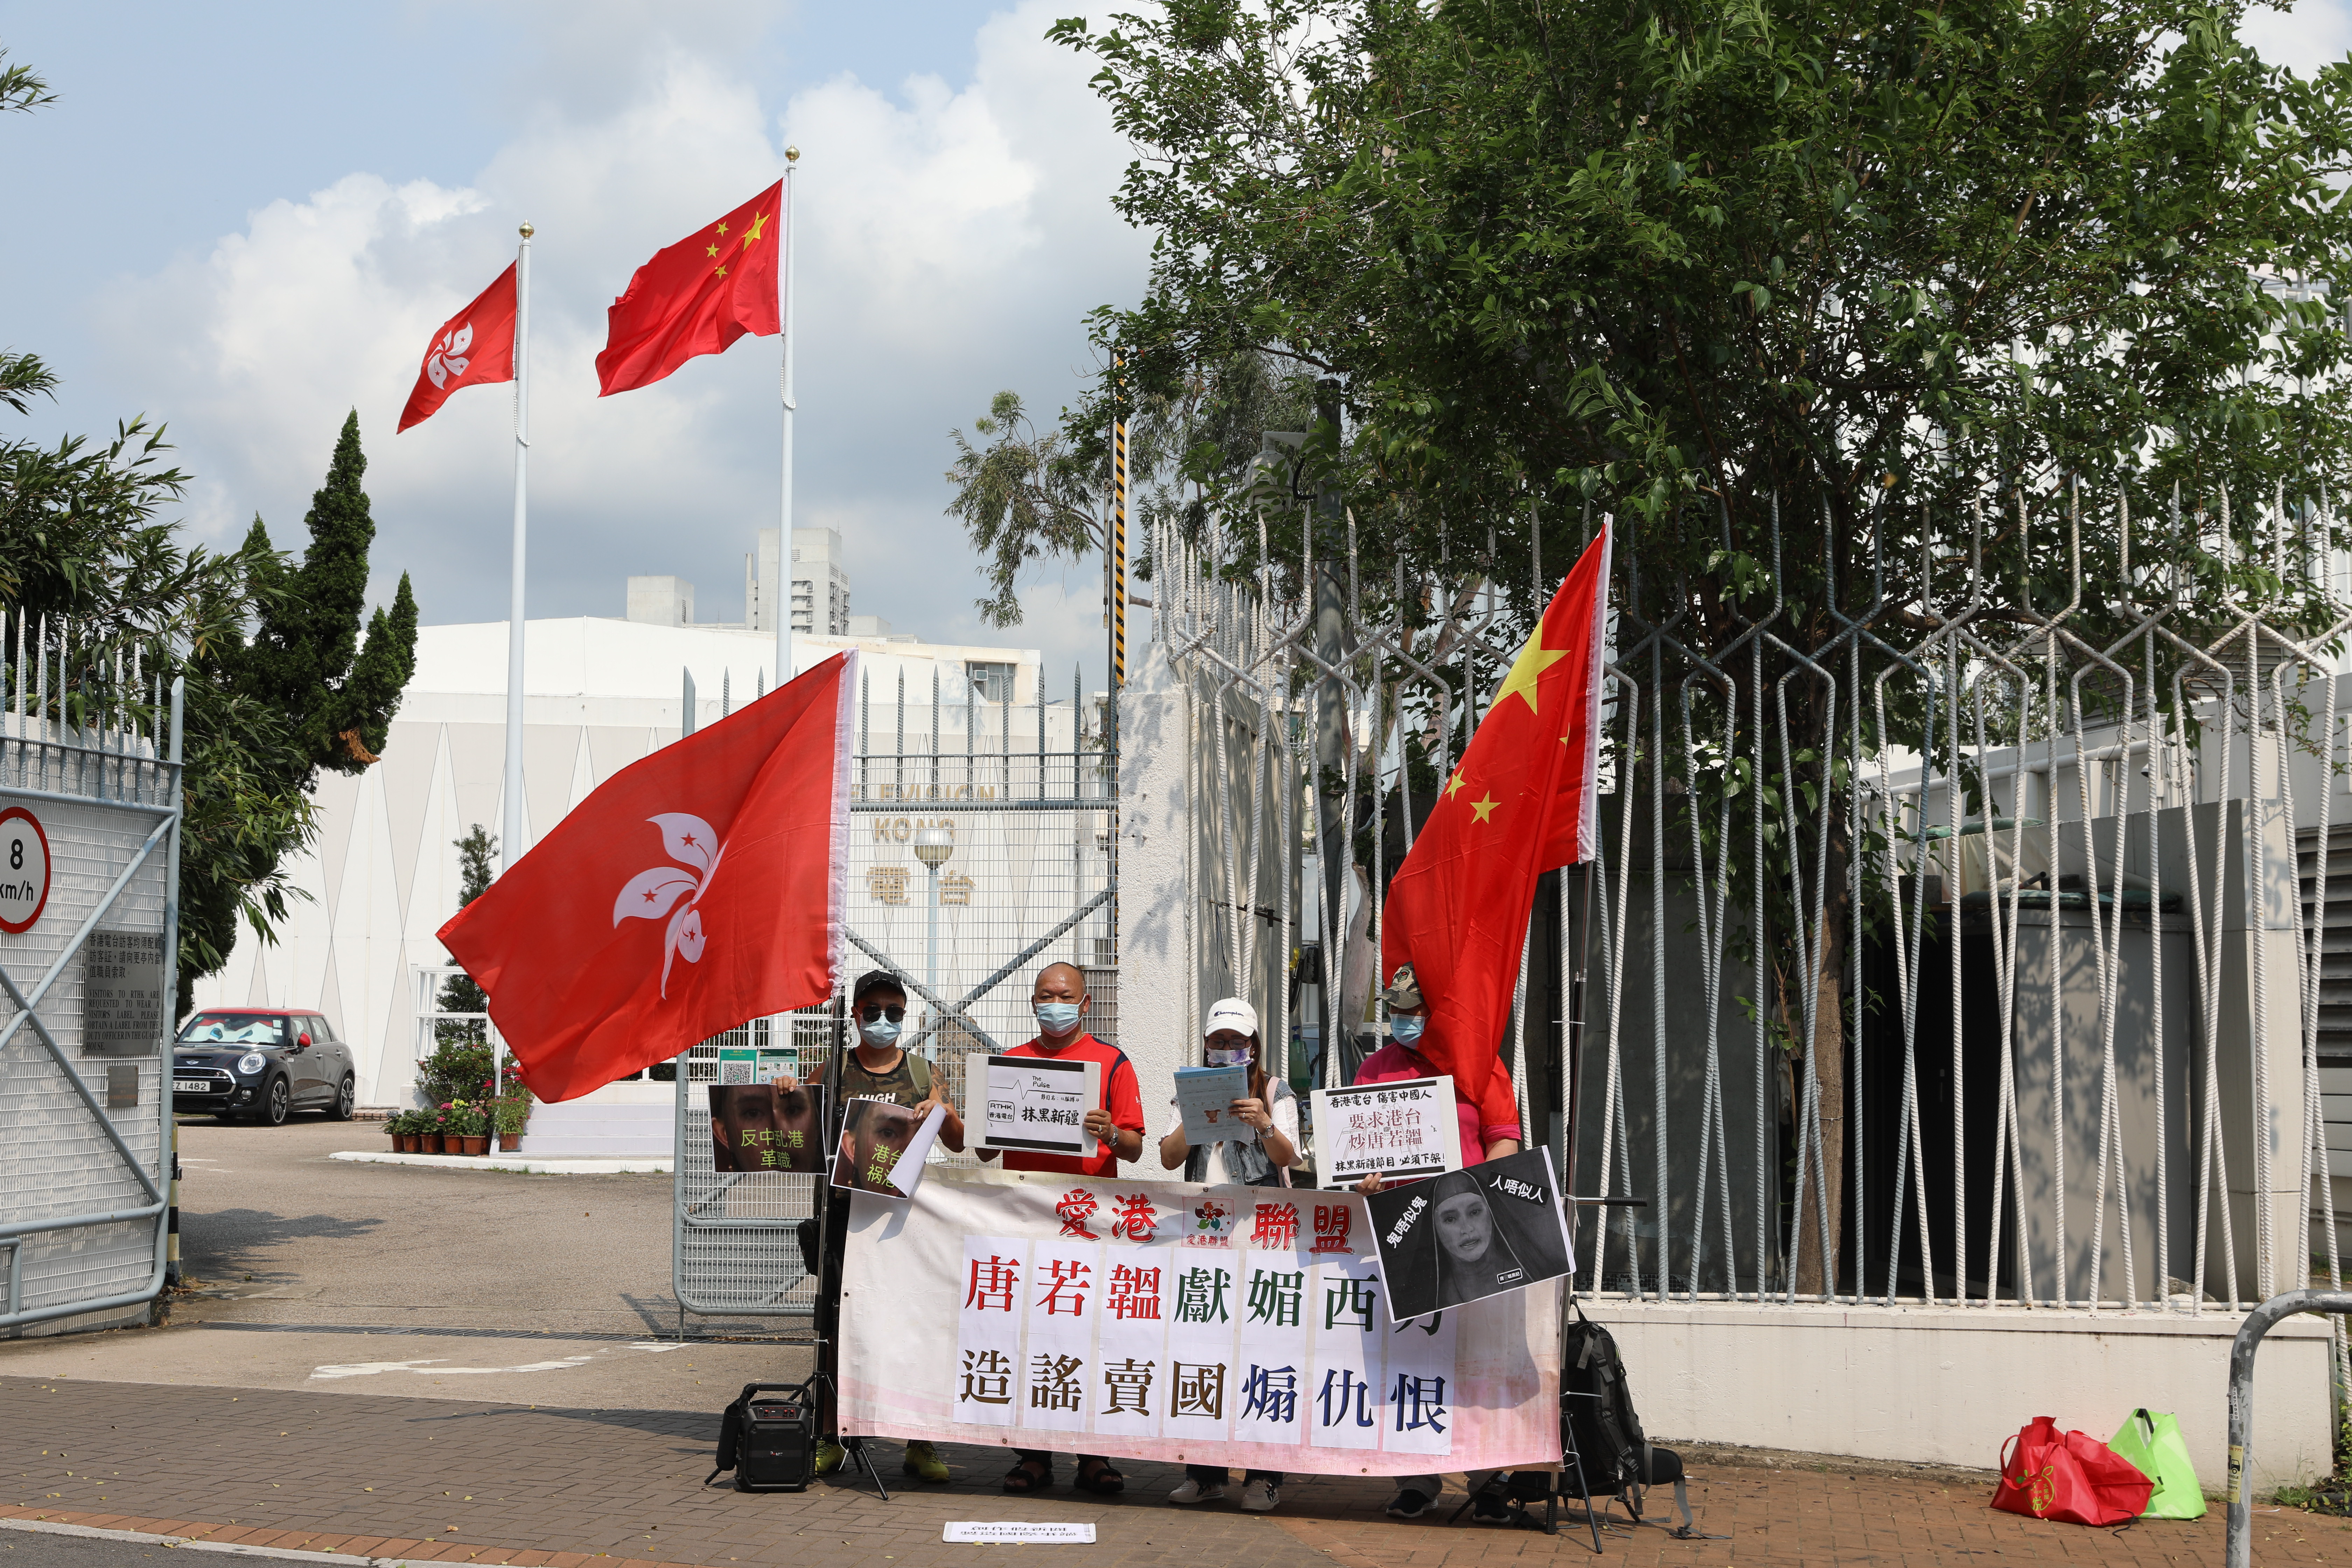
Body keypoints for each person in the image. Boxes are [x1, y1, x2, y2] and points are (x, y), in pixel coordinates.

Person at [777, 968, 963, 1484]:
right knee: (839, 1330)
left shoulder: (923, 1072)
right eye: (873, 1011)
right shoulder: (833, 1069)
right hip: (843, 1220)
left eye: (894, 1012)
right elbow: (793, 1125)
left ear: (906, 1016)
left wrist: (942, 1110)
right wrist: (787, 1090)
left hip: (904, 1223)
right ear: (856, 1015)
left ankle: (919, 1442)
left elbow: (958, 1142)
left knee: (912, 1327)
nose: (884, 1020)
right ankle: (831, 1437)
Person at [1354, 959, 1523, 1522]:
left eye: (1414, 1011)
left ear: (1438, 1013)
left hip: (1471, 1238)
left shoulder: (1480, 1064)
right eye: (1396, 1012)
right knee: (1409, 1361)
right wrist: (1365, 1181)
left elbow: (1505, 1139)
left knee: (1479, 1362)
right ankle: (1416, 1480)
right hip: (1404, 1238)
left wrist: (1477, 1189)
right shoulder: (1375, 1070)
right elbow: (1355, 1154)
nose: (1403, 1021)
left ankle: (1490, 1480)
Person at [977, 960, 1146, 1496]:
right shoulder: (1009, 1064)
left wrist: (1111, 1133)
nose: (1055, 1005)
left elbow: (1135, 1149)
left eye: (1065, 996)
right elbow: (982, 1151)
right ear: (1033, 1002)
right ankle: (1033, 1456)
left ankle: (1093, 1456)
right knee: (1029, 1339)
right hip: (1026, 1226)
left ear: (1085, 1003)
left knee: (1089, 1339)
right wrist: (985, 1115)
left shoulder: (1113, 1064)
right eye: (1045, 996)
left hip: (1087, 1228)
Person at [1157, 996, 1295, 1513]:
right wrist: (1196, 1114)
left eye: (1238, 1041)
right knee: (1203, 1352)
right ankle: (1205, 1473)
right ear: (1207, 1045)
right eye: (1219, 1040)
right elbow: (1169, 1157)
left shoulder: (1276, 1091)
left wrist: (1263, 1123)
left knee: (1263, 1355)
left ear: (1254, 1046)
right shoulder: (1188, 1089)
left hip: (1262, 1242)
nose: (1228, 1048)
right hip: (1204, 1240)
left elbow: (1289, 1157)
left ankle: (1263, 1476)